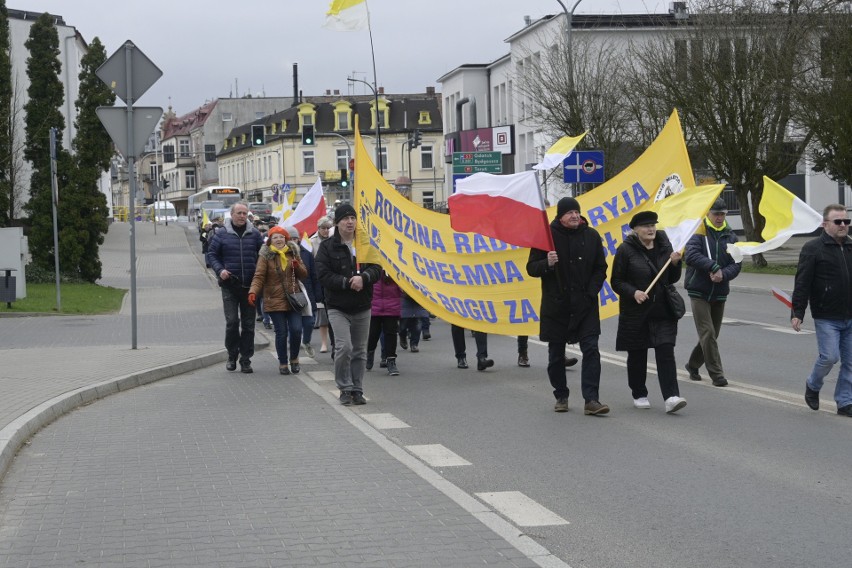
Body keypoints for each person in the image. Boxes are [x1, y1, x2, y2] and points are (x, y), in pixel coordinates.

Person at [527, 197, 609, 415]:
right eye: (569, 213)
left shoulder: (591, 236)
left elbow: (601, 268)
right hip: (557, 306)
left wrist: (591, 293)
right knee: (556, 355)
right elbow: (531, 268)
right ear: (560, 216)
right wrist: (547, 263)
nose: (574, 216)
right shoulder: (546, 237)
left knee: (591, 349)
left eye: (577, 212)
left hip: (585, 305)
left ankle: (591, 399)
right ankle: (561, 395)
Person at [611, 210, 687, 414]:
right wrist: (633, 292)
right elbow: (616, 282)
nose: (651, 229)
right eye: (646, 226)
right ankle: (639, 393)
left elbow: (670, 279)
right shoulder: (625, 250)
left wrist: (675, 263)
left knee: (665, 351)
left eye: (653, 225)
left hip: (662, 310)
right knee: (637, 355)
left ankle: (671, 396)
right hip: (637, 312)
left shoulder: (665, 245)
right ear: (635, 230)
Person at [315, 204, 382, 405]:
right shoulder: (327, 246)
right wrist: (346, 282)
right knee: (344, 347)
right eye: (346, 218)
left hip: (362, 305)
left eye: (353, 218)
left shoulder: (365, 243)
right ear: (337, 223)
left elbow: (377, 267)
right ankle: (344, 387)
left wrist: (365, 277)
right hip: (338, 306)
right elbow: (322, 274)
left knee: (360, 350)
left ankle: (357, 388)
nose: (350, 222)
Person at [791, 204, 852, 417]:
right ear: (825, 224)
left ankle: (845, 402)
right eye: (838, 221)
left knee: (851, 362)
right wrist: (797, 312)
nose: (843, 225)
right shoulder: (813, 248)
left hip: (850, 316)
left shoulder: (851, 246)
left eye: (846, 221)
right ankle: (813, 385)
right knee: (829, 357)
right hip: (827, 315)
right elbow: (802, 282)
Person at [683, 198, 742, 387]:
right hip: (698, 290)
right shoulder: (698, 232)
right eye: (716, 214)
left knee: (712, 335)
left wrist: (722, 274)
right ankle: (717, 374)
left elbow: (737, 264)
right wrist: (713, 266)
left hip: (719, 291)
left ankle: (692, 364)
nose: (719, 217)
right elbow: (690, 255)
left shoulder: (731, 237)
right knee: (707, 332)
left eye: (723, 214)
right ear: (708, 214)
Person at [207, 202, 265, 373]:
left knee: (248, 325)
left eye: (245, 213)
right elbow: (212, 254)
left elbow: (263, 255)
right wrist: (220, 270)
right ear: (231, 214)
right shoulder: (222, 234)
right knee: (232, 322)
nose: (242, 216)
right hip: (230, 286)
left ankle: (245, 359)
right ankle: (232, 355)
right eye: (239, 213)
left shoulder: (254, 234)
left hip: (250, 287)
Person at [248, 226, 307, 375]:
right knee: (281, 332)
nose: (279, 240)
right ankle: (282, 362)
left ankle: (294, 358)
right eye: (275, 237)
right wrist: (253, 291)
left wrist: (297, 266)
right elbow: (259, 276)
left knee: (296, 329)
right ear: (270, 241)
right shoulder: (265, 256)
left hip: (293, 298)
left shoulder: (293, 252)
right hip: (273, 299)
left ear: (286, 239)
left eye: (281, 237)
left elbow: (304, 274)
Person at [285, 226, 322, 359]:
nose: (294, 241)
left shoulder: (306, 253)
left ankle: (306, 341)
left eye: (296, 238)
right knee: (294, 324)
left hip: (307, 292)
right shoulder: (283, 254)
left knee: (310, 322)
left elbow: (314, 275)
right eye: (291, 238)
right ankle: (293, 340)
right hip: (290, 293)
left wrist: (318, 294)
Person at [367, 271, 402, 376]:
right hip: (374, 306)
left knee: (391, 334)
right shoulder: (372, 267)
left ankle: (391, 361)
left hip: (392, 306)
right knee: (373, 334)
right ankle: (370, 352)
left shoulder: (394, 268)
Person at [311, 216, 334, 353]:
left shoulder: (335, 240)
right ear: (318, 229)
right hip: (319, 281)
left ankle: (334, 343)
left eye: (328, 228)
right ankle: (324, 343)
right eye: (323, 228)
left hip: (332, 279)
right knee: (323, 316)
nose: (326, 231)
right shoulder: (312, 242)